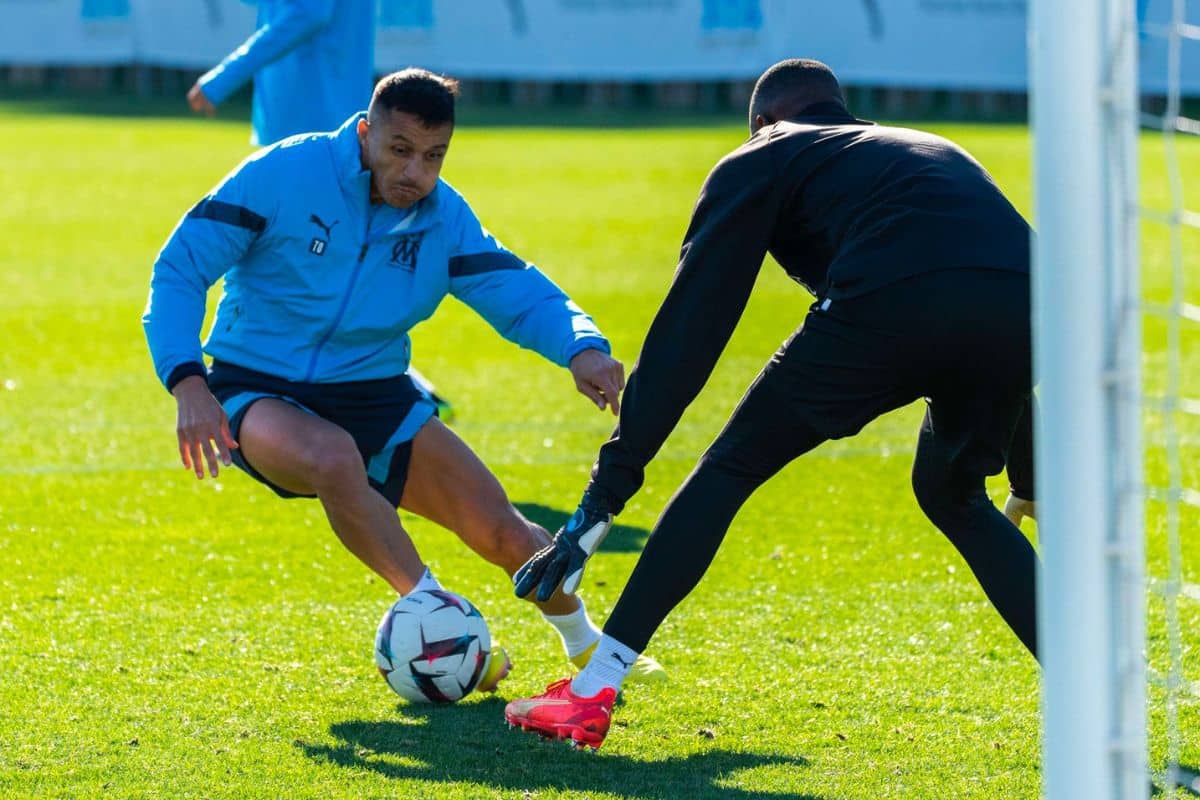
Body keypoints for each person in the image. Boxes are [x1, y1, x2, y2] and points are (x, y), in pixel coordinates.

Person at [505, 58, 1037, 749]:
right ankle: (1095, 701)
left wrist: (603, 496)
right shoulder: (922, 148)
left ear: (760, 122)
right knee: (953, 492)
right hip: (1034, 303)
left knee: (728, 468)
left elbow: (692, 327)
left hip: (890, 302)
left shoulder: (765, 151)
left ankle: (593, 688)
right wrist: (1027, 482)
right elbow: (992, 290)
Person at [145, 68, 665, 692]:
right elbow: (179, 268)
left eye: (433, 156)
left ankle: (588, 647)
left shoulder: (443, 219)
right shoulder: (284, 174)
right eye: (399, 150)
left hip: (374, 391)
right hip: (256, 386)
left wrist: (580, 346)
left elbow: (514, 288)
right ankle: (442, 629)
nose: (415, 173)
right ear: (365, 132)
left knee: (503, 530)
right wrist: (188, 382)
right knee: (332, 455)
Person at [186, 0, 453, 415]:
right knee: (322, 263)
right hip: (314, 109)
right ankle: (396, 386)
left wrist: (224, 76)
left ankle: (392, 389)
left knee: (309, 263)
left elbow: (307, 14)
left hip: (311, 114)